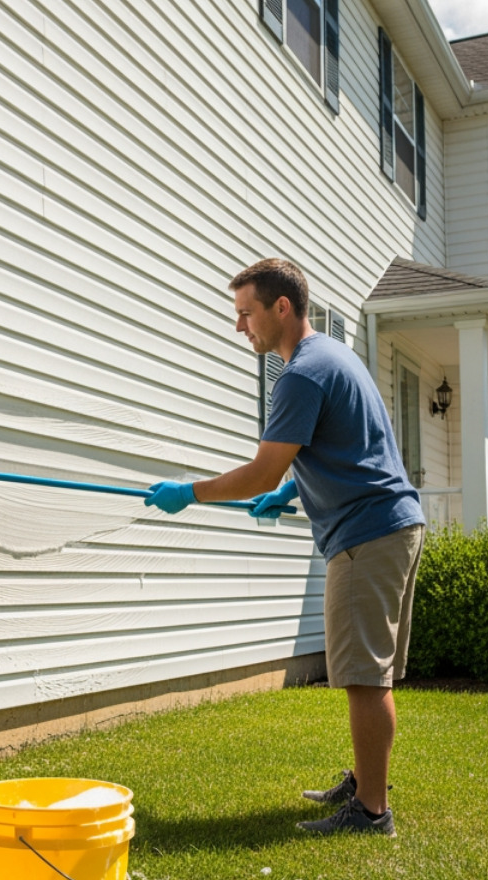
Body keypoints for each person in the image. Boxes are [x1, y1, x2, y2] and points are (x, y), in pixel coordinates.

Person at [144, 258, 425, 835]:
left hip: (366, 533)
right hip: (391, 524)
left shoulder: (300, 374)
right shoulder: (334, 357)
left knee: (363, 676)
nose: (240, 327)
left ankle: (372, 813)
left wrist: (189, 493)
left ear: (281, 308)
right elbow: (348, 447)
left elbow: (258, 474)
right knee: (370, 673)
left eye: (246, 314)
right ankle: (366, 782)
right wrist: (295, 490)